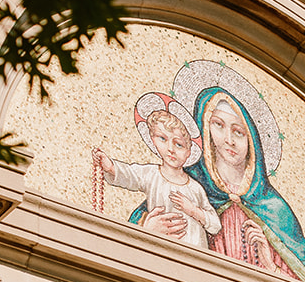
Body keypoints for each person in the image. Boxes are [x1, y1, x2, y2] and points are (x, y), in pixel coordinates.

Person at [189, 87, 305, 282]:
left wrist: (271, 266)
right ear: (203, 128)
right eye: (218, 125)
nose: (230, 140)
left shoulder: (274, 209)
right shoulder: (190, 188)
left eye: (239, 132)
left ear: (252, 140)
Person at [92, 106, 222, 250]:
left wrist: (193, 210)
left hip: (195, 252)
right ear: (153, 140)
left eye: (178, 144)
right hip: (164, 248)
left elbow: (215, 225)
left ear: (188, 152)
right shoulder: (152, 174)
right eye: (163, 139)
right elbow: (130, 174)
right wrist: (110, 167)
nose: (171, 149)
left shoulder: (195, 188)